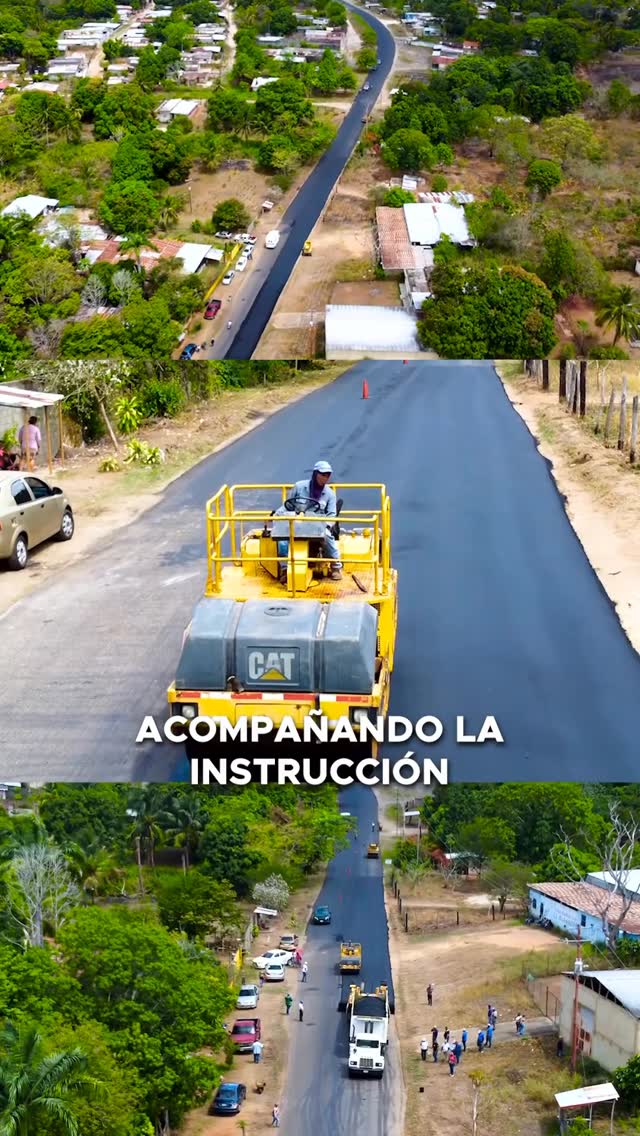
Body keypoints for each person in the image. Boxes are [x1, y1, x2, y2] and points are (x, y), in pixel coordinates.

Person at [277, 460, 343, 580]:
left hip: (317, 526)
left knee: (327, 536)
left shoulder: (330, 494)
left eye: (328, 475)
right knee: (282, 539)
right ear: (315, 474)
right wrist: (278, 516)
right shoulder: (299, 487)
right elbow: (288, 506)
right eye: (323, 474)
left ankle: (335, 566)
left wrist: (326, 526)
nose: (325, 477)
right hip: (297, 523)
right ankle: (285, 569)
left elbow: (332, 515)